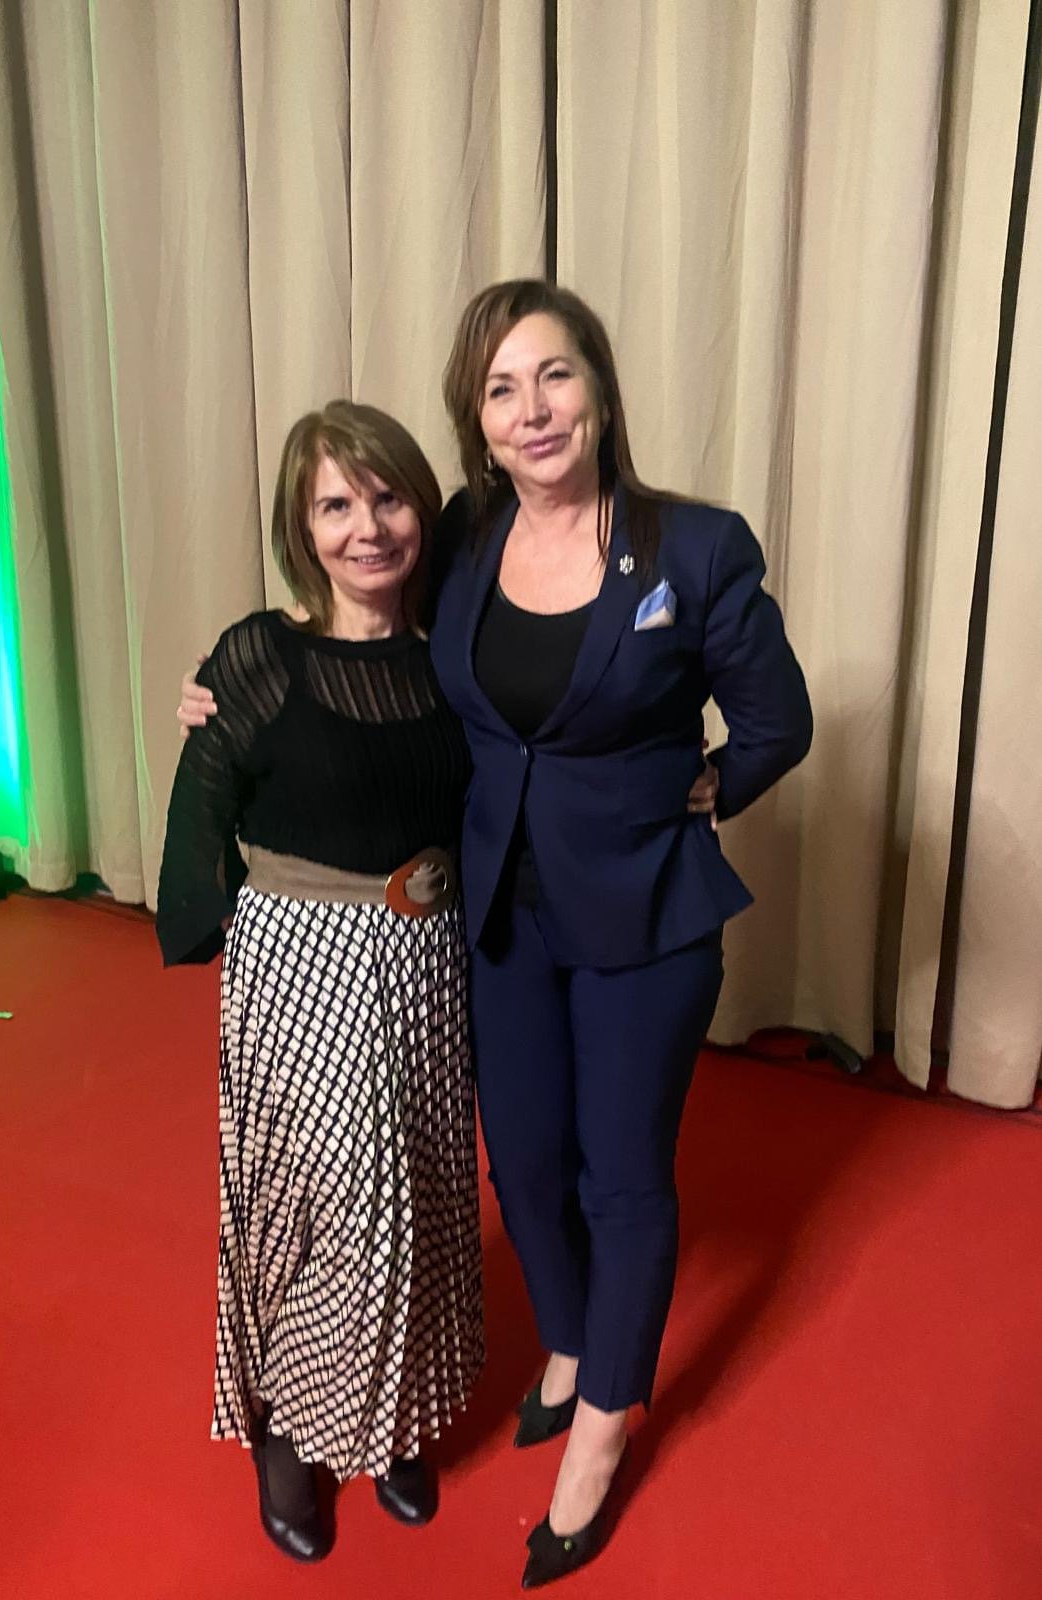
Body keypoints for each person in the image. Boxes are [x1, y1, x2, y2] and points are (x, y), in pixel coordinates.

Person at [181, 280, 811, 1588]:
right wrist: (230, 687)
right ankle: (568, 1341)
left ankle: (602, 1427)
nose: (533, 410)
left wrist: (712, 787)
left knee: (619, 1178)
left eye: (555, 375)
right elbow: (361, 627)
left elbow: (778, 721)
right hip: (496, 917)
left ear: (600, 390)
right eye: (502, 388)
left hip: (642, 917)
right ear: (477, 420)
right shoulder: (466, 534)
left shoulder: (695, 550)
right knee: (521, 1166)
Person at [157, 401, 483, 1565]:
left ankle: (390, 1412)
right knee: (334, 1208)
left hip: (430, 962)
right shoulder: (259, 655)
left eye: (387, 497)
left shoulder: (455, 656)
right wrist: (201, 920)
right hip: (305, 961)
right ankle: (292, 1429)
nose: (367, 526)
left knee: (422, 1199)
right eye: (336, 505)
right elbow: (204, 802)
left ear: (421, 509)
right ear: (303, 529)